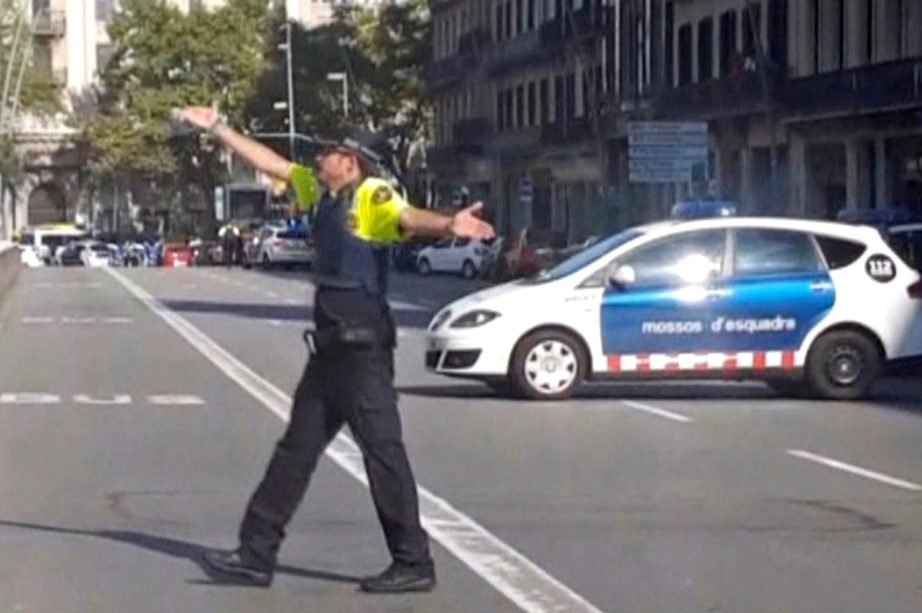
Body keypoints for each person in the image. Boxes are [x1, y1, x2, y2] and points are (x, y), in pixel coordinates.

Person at [176, 106, 494, 593]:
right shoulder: (320, 192)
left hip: (362, 352)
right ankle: (255, 554)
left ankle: (413, 562)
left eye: (328, 151)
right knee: (294, 453)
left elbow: (408, 218)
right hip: (329, 352)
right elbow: (274, 165)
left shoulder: (372, 194)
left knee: (383, 456)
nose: (318, 157)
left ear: (350, 161)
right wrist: (219, 129)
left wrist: (450, 225)